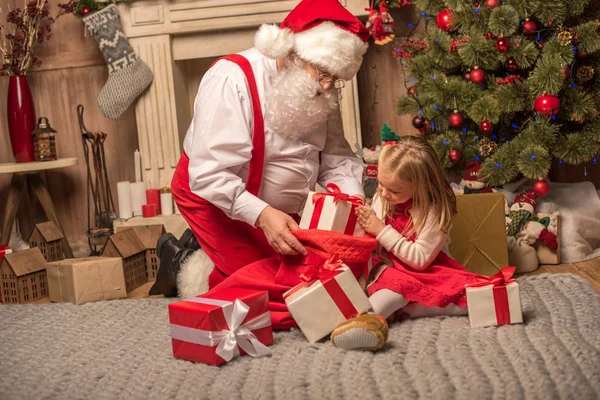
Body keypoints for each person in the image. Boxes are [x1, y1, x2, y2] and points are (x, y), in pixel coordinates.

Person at [151, 0, 370, 303]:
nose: (328, 85)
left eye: (337, 79)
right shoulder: (232, 78)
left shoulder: (321, 88)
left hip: (278, 214)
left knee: (323, 276)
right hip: (217, 199)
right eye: (322, 72)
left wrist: (354, 200)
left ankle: (206, 251)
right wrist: (262, 214)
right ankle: (179, 263)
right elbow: (209, 174)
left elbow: (335, 158)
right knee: (279, 295)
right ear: (292, 54)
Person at [330, 136, 481, 349]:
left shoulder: (433, 210)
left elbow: (420, 260)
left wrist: (381, 230)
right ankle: (367, 319)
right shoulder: (384, 196)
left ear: (422, 187)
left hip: (425, 269)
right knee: (393, 291)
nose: (383, 193)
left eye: (394, 190)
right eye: (381, 184)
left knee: (469, 293)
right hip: (387, 268)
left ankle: (378, 318)